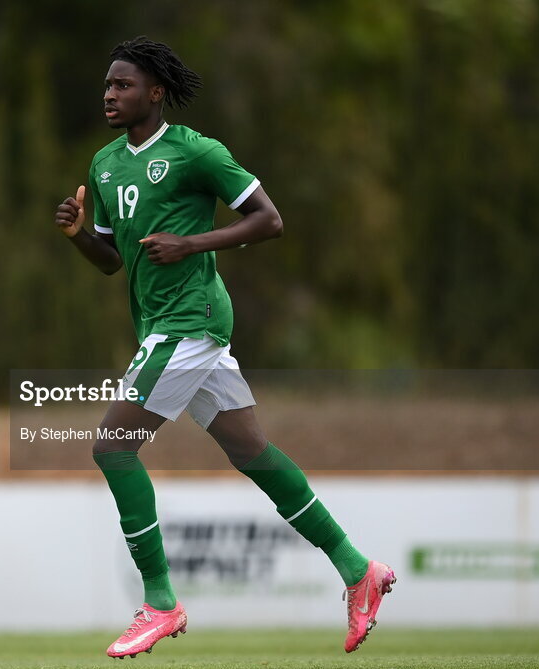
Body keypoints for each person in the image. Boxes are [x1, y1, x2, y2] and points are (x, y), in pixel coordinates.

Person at [53, 37, 395, 658]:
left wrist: (194, 244)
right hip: (167, 323)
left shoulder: (195, 152)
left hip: (190, 320)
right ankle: (357, 568)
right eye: (107, 85)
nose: (110, 94)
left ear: (156, 93)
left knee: (112, 447)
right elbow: (110, 262)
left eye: (123, 84)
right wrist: (79, 235)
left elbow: (269, 220)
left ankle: (160, 601)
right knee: (251, 450)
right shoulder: (104, 165)